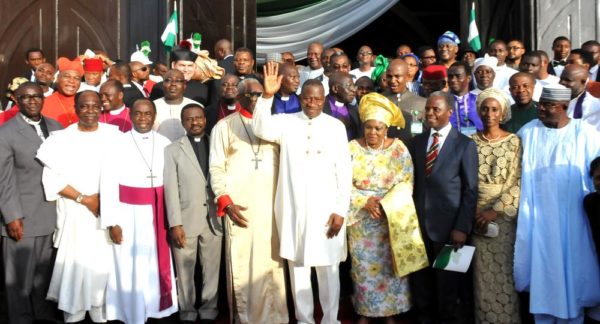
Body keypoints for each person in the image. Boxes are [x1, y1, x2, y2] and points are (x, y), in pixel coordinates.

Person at [253, 62, 352, 324]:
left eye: (317, 99)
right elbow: (260, 128)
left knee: (329, 271)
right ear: (301, 98)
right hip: (295, 209)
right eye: (307, 98)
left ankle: (331, 320)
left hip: (327, 211)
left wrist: (341, 210)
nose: (312, 103)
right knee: (299, 271)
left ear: (324, 99)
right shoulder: (286, 123)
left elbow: (344, 171)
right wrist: (267, 96)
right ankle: (305, 320)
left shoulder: (335, 126)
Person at [514, 84, 600, 323]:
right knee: (542, 264)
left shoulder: (586, 133)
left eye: (547, 105)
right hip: (537, 216)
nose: (540, 108)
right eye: (541, 104)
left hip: (574, 216)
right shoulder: (528, 131)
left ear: (564, 107)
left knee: (573, 267)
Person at [36, 90, 121, 322]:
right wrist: (86, 200)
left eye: (95, 106)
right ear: (76, 108)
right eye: (84, 106)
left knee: (102, 266)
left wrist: (103, 201)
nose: (90, 111)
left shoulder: (115, 136)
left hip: (107, 211)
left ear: (101, 107)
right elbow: (52, 180)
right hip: (75, 212)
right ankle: (73, 315)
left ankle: (99, 314)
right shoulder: (60, 139)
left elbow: (123, 174)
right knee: (75, 267)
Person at [210, 77, 288, 323]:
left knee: (273, 265)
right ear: (239, 96)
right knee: (244, 266)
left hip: (272, 207)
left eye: (258, 94)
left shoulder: (277, 126)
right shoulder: (224, 126)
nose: (253, 99)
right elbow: (216, 166)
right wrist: (226, 200)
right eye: (249, 95)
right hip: (240, 207)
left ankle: (276, 317)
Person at [347, 92, 428, 324]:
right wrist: (364, 201)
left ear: (387, 129)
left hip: (390, 218)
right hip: (361, 220)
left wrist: (385, 204)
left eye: (378, 128)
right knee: (362, 268)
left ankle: (389, 313)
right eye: (369, 127)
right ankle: (364, 311)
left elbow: (406, 182)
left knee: (389, 268)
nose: (373, 133)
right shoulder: (351, 148)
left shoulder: (399, 149)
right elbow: (341, 182)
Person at [100, 98, 178, 323]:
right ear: (131, 115)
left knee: (154, 262)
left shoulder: (165, 142)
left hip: (158, 212)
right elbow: (108, 182)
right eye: (138, 114)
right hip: (128, 213)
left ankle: (156, 308)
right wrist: (112, 221)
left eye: (147, 114)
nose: (143, 118)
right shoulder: (117, 143)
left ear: (154, 117)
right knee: (130, 264)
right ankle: (131, 311)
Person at [408, 91, 478, 324]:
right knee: (422, 284)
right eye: (428, 108)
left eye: (435, 109)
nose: (429, 113)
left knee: (448, 287)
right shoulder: (417, 142)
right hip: (418, 229)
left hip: (450, 229)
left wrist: (462, 227)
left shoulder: (465, 145)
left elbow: (470, 190)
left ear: (449, 112)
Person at [0, 83, 63, 324]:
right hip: (21, 217)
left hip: (50, 213)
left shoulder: (55, 127)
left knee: (42, 272)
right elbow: (3, 180)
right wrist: (11, 216)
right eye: (25, 98)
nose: (32, 101)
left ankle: (42, 313)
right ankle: (21, 318)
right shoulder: (5, 133)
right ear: (17, 100)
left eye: (36, 96)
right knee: (19, 278)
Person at [164, 103, 222, 323]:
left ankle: (209, 310)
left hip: (215, 219)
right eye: (189, 119)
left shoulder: (218, 144)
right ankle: (187, 311)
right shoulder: (172, 150)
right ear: (183, 122)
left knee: (212, 270)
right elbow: (170, 188)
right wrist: (174, 223)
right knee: (185, 271)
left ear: (205, 120)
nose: (195, 122)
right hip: (185, 220)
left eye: (198, 118)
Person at [470, 88, 522, 324]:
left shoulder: (514, 143)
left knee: (504, 273)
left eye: (494, 109)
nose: (489, 113)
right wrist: (474, 212)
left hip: (503, 217)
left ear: (502, 113)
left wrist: (495, 210)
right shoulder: (470, 142)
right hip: (475, 216)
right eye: (485, 108)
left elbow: (518, 181)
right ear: (479, 111)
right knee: (481, 277)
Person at [153, 69, 203, 141]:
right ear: (163, 84)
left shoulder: (196, 107)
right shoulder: (153, 106)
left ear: (184, 85)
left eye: (178, 81)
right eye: (168, 80)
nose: (173, 84)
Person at [42, 57, 83, 127]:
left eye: (76, 78)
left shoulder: (84, 102)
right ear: (57, 78)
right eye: (67, 76)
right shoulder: (44, 104)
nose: (71, 81)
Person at [559, 64, 600, 131]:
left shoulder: (593, 106)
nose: (561, 82)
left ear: (583, 82)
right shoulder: (555, 100)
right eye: (561, 79)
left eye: (568, 80)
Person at [447, 62, 483, 135]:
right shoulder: (443, 102)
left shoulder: (479, 101)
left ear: (469, 78)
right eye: (450, 76)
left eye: (458, 76)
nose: (453, 80)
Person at [324, 72, 361, 140]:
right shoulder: (320, 107)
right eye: (349, 86)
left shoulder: (354, 108)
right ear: (335, 89)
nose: (354, 90)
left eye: (354, 86)